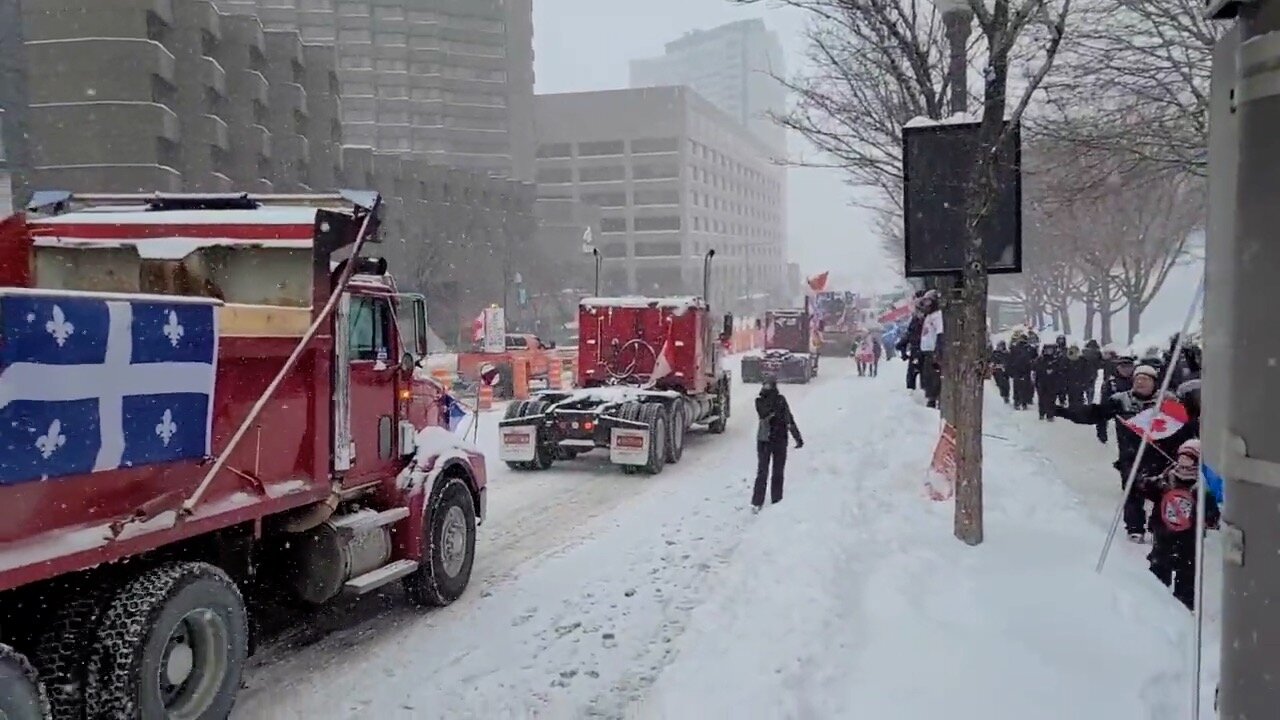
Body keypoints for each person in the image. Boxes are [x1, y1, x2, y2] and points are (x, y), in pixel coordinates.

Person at [1055, 364, 1199, 541]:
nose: (1140, 383)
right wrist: (1064, 412)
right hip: (1131, 456)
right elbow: (1095, 413)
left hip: (1161, 456)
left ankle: (1158, 527)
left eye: (1145, 379)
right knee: (1132, 490)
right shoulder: (1120, 400)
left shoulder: (1168, 402)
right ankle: (1135, 528)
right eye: (1137, 379)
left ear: (1154, 383)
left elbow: (1185, 426)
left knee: (1162, 492)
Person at [1142, 439, 1218, 610]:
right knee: (1158, 575)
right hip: (1163, 536)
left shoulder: (1202, 487)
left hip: (1188, 541)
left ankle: (1182, 611)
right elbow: (1147, 489)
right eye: (1182, 457)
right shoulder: (1166, 478)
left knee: (1186, 579)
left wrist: (1208, 514)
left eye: (1189, 458)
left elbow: (1212, 517)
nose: (1184, 463)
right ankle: (1153, 606)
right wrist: (1148, 484)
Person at [753, 377, 803, 512]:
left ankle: (777, 499)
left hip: (779, 439)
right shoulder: (760, 401)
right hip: (765, 439)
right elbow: (764, 414)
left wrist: (797, 437)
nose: (766, 387)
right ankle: (757, 501)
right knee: (763, 471)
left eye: (769, 385)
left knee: (778, 471)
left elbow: (789, 418)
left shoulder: (780, 400)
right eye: (765, 385)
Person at [1095, 354, 1135, 444]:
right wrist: (1102, 432)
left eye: (1129, 367)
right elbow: (1103, 406)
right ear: (1118, 367)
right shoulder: (1111, 382)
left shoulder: (1137, 380)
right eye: (1123, 366)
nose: (1126, 369)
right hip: (1118, 413)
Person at [1034, 343, 1065, 421]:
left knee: (1051, 399)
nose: (1049, 352)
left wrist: (1053, 370)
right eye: (1047, 350)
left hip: (1053, 383)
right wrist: (1044, 371)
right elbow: (1036, 369)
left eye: (1050, 350)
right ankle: (1042, 413)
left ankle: (1050, 415)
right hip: (1042, 382)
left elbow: (1061, 370)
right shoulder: (1040, 359)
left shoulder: (1057, 360)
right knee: (1042, 399)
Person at [1008, 331, 1036, 411]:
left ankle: (1022, 402)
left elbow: (1034, 359)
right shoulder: (1016, 349)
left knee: (1024, 386)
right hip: (1020, 369)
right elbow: (1010, 359)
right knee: (1020, 386)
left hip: (1024, 369)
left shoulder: (1029, 349)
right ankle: (1019, 401)